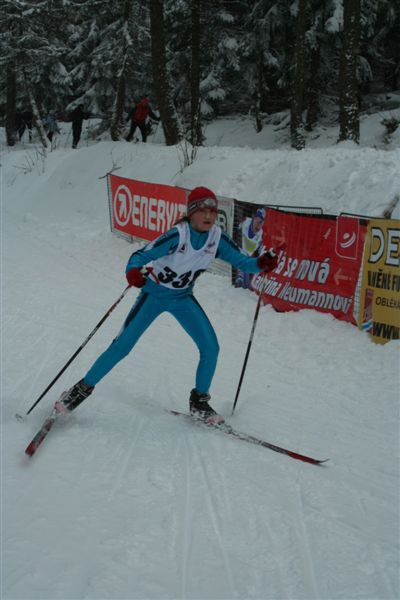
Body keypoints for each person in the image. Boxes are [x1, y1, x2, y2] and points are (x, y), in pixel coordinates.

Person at [54, 187, 278, 424]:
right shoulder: (178, 235)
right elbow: (140, 256)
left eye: (213, 211)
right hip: (154, 296)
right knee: (122, 347)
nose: (208, 216)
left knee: (210, 347)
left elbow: (244, 262)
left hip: (182, 298)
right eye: (202, 210)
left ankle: (199, 403)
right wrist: (132, 271)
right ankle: (77, 392)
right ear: (191, 212)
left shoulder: (216, 238)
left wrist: (261, 264)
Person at [236, 208, 266, 289]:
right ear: (253, 218)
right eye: (257, 221)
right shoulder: (245, 222)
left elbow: (257, 250)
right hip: (242, 254)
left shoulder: (261, 233)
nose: (258, 225)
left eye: (261, 223)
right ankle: (240, 278)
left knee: (246, 285)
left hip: (250, 257)